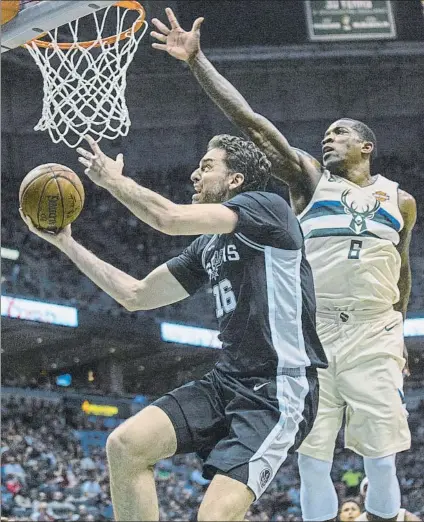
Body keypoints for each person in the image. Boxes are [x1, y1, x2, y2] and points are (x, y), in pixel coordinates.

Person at [150, 8, 417, 522]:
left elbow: (401, 270)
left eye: (339, 133)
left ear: (367, 145)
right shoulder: (310, 182)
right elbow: (251, 122)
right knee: (312, 461)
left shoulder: (399, 201)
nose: (327, 139)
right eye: (325, 135)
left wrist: (397, 332)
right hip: (309, 333)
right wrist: (197, 61)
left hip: (373, 330)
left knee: (380, 455)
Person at [20, 133, 327, 521]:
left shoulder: (269, 209)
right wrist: (66, 243)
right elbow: (135, 295)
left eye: (207, 166)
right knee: (126, 445)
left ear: (235, 180)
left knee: (211, 518)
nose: (195, 175)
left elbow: (167, 218)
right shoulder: (208, 245)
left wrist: (112, 181)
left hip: (278, 389)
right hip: (227, 380)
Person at [356, 478, 421, 521]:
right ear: (363, 496)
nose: (372, 493)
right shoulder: (360, 520)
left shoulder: (403, 515)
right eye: (367, 489)